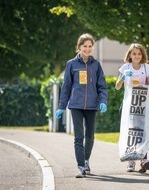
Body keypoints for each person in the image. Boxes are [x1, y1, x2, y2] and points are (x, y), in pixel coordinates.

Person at [55, 33, 108, 178]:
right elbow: (66, 87)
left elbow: (102, 86)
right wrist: (61, 106)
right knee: (79, 137)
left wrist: (103, 101)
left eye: (90, 46)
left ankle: (86, 161)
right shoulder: (71, 64)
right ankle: (80, 167)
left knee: (90, 137)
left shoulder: (96, 65)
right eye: (85, 46)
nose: (88, 49)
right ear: (79, 47)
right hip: (76, 105)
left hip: (92, 106)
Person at [115, 43, 149, 173]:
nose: (137, 56)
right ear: (130, 55)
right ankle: (130, 162)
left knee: (141, 133)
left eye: (139, 54)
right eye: (134, 54)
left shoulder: (146, 67)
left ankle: (143, 159)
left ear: (142, 55)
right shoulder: (125, 67)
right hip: (129, 106)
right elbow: (117, 86)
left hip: (142, 107)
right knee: (130, 133)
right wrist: (122, 78)